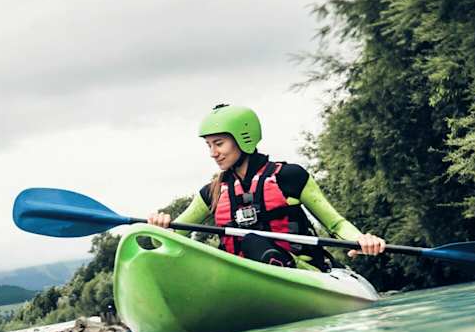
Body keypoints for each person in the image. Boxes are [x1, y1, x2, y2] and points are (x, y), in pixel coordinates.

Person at [146, 104, 386, 270]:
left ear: (243, 138)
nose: (213, 153)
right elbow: (165, 241)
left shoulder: (289, 176)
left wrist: (361, 239)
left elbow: (336, 225)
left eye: (219, 143)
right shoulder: (212, 192)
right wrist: (161, 228)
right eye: (208, 145)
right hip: (241, 274)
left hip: (303, 271)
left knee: (253, 241)